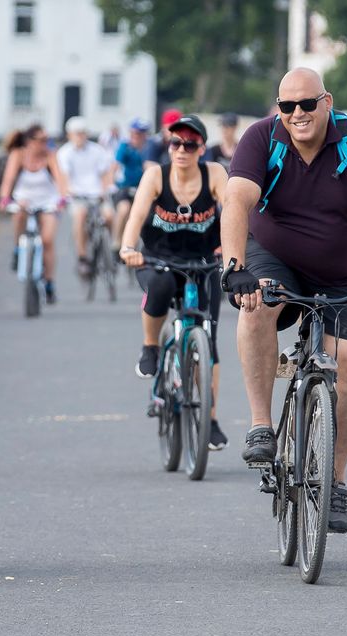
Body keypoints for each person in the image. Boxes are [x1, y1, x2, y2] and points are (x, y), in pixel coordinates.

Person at [220, 67, 347, 533]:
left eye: (307, 104)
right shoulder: (262, 138)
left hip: (346, 272)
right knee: (256, 307)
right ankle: (261, 424)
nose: (297, 114)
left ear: (327, 101)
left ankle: (335, 478)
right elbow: (236, 200)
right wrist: (234, 268)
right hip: (274, 259)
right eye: (287, 106)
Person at [120, 114, 229, 451]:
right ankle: (151, 346)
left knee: (208, 340)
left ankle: (209, 419)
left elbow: (234, 212)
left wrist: (233, 247)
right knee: (162, 288)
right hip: (158, 258)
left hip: (204, 261)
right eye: (176, 143)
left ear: (201, 149)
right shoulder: (156, 176)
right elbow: (137, 215)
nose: (182, 150)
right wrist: (127, 247)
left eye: (190, 144)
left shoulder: (214, 174)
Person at [0, 123, 68, 303]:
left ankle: (50, 282)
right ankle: (17, 247)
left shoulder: (50, 156)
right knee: (19, 214)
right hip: (24, 200)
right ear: (29, 141)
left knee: (47, 240)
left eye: (47, 139)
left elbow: (60, 180)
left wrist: (62, 199)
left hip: (47, 201)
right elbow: (8, 179)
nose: (46, 143)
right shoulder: (18, 155)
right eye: (42, 140)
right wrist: (5, 198)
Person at [56, 116, 117, 278]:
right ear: (69, 135)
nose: (79, 137)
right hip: (77, 195)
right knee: (80, 216)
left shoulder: (97, 150)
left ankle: (114, 247)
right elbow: (64, 176)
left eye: (82, 133)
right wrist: (68, 191)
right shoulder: (65, 153)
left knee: (110, 216)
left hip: (97, 194)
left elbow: (105, 173)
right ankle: (82, 257)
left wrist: (106, 189)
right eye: (76, 133)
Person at [113, 118, 150, 257]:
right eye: (135, 133)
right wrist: (111, 183)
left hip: (144, 188)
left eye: (141, 133)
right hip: (125, 187)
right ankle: (116, 241)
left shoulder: (148, 147)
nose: (137, 136)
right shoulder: (125, 147)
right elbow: (116, 165)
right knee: (124, 209)